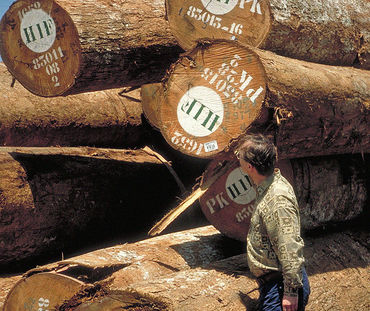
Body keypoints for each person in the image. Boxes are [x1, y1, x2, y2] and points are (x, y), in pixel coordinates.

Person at [236, 134, 310, 311]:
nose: (237, 156)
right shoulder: (267, 182)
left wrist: (291, 293)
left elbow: (289, 245)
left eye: (239, 154)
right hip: (276, 283)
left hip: (279, 287)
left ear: (249, 166)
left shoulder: (277, 200)